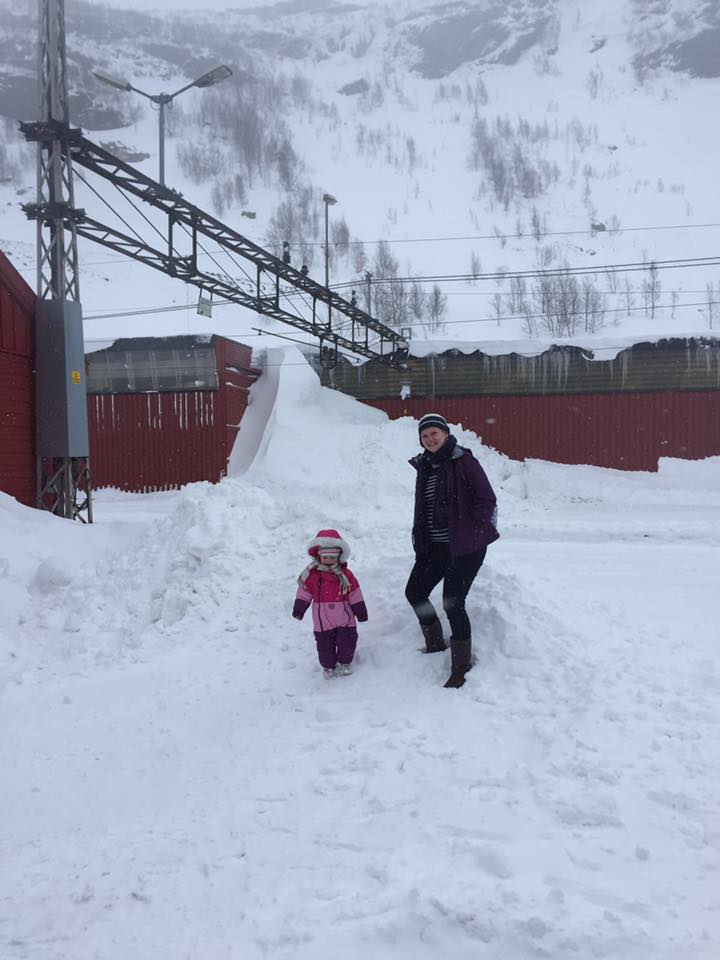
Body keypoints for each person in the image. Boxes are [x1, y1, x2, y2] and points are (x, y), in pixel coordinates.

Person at [406, 413, 499, 689]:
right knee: (415, 592)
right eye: (424, 435)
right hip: (433, 547)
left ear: (446, 434)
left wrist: (474, 533)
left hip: (464, 548)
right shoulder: (425, 466)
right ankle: (435, 644)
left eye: (434, 433)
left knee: (452, 603)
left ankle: (460, 666)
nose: (429, 439)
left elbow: (487, 500)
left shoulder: (463, 461)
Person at [293, 529, 368, 678]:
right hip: (323, 620)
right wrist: (300, 609)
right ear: (318, 556)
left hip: (344, 617)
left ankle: (345, 662)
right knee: (324, 646)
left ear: (339, 557)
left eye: (332, 557)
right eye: (325, 557)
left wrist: (360, 611)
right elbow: (304, 592)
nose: (328, 560)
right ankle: (328, 667)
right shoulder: (312, 576)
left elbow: (355, 593)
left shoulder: (346, 575)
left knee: (348, 641)